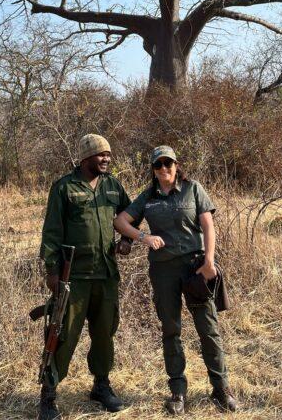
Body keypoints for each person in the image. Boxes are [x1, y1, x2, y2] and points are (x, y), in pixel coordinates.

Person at [114, 146, 239, 415]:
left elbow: (208, 225)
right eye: (158, 165)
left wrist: (209, 261)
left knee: (208, 328)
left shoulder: (193, 189)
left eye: (167, 163)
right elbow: (121, 220)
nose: (163, 169)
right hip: (163, 271)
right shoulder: (148, 197)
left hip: (194, 267)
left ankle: (221, 388)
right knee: (171, 330)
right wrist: (143, 237)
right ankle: (178, 391)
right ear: (153, 170)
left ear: (176, 164)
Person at [38, 133, 132, 420]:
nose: (106, 159)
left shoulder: (113, 185)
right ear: (85, 158)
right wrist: (52, 271)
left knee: (105, 333)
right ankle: (49, 395)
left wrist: (127, 240)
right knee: (62, 334)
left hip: (105, 274)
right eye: (100, 155)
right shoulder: (64, 187)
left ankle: (101, 387)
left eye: (108, 155)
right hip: (74, 276)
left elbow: (131, 213)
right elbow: (52, 230)